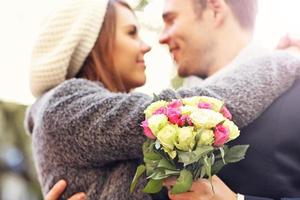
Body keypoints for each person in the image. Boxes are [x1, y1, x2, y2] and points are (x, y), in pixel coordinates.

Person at [26, 0, 300, 199]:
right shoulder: (63, 106)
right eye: (131, 33)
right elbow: (184, 111)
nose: (149, 44)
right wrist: (280, 62)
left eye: (171, 19)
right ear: (93, 43)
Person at [158, 0, 300, 199]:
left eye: (171, 20)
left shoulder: (295, 91)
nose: (161, 38)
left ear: (215, 11)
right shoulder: (175, 109)